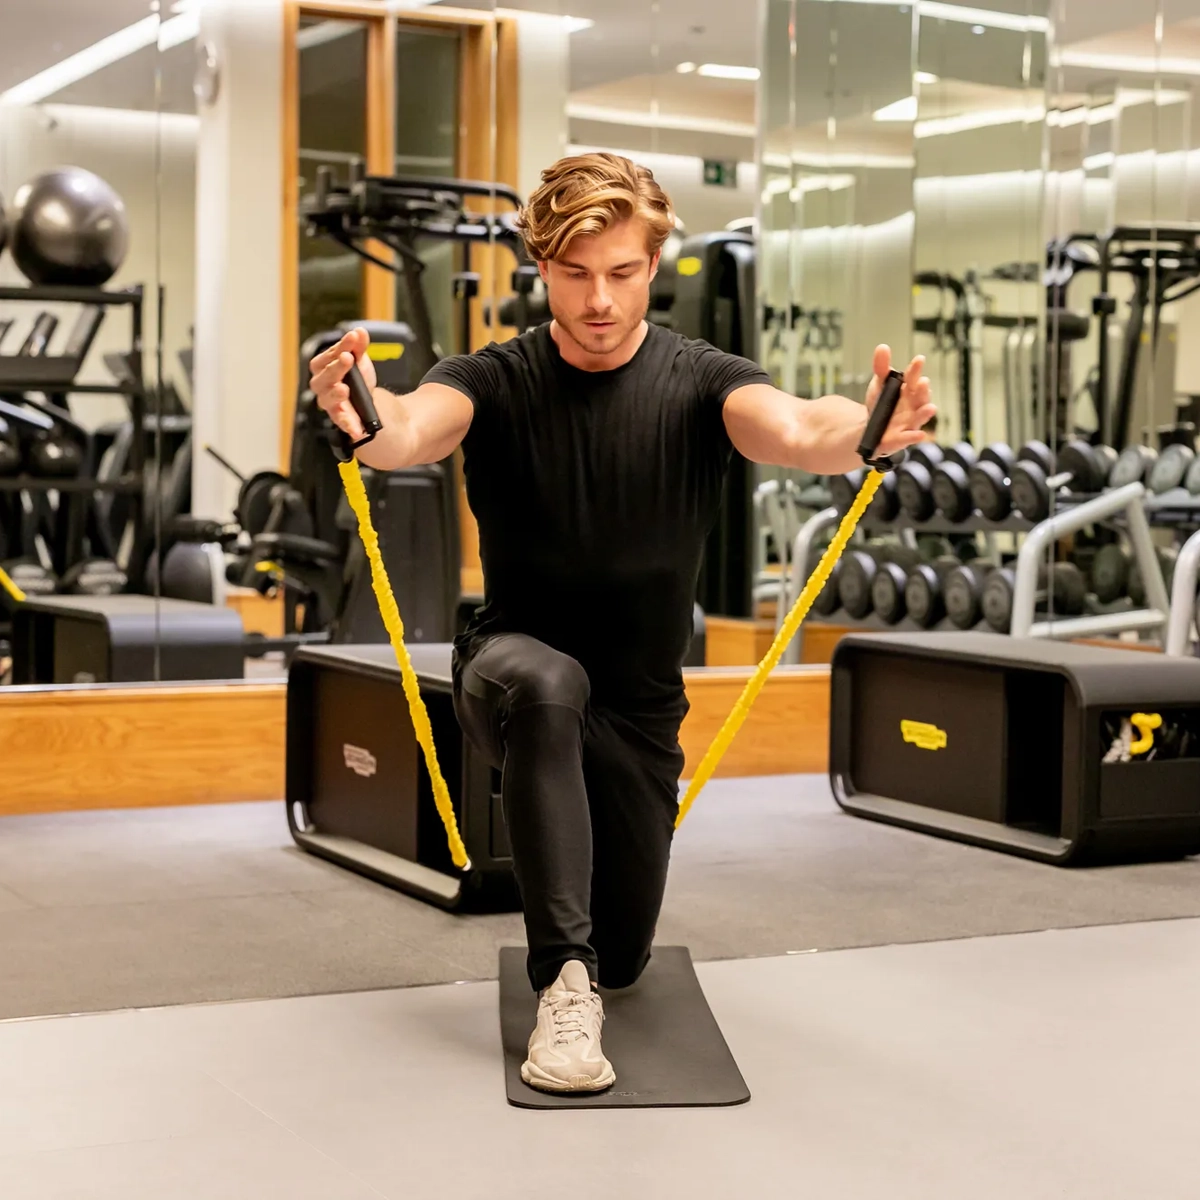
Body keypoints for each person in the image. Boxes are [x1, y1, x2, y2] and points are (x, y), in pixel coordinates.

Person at [309, 152, 935, 1095]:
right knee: (547, 683)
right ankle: (562, 986)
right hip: (511, 671)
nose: (598, 299)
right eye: (574, 274)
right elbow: (408, 426)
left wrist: (867, 428)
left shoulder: (701, 381)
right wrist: (363, 407)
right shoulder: (494, 378)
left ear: (654, 265)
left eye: (622, 272)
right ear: (542, 267)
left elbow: (803, 425)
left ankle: (596, 963)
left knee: (629, 954)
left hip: (639, 710)